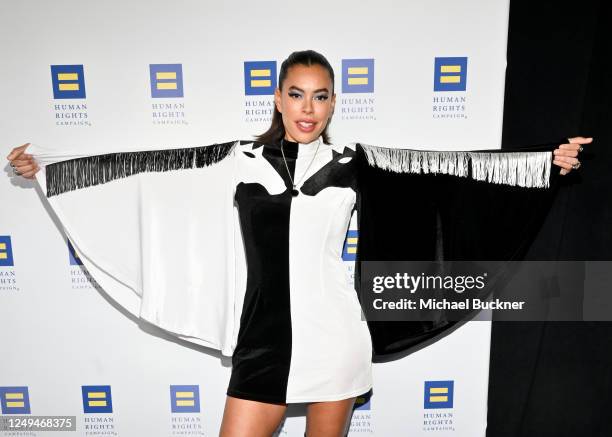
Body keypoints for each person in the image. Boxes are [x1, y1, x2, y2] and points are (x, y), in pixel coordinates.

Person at [7, 50, 589, 437]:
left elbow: (453, 174)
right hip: (262, 341)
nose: (308, 108)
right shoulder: (235, 161)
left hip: (336, 336)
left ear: (334, 102)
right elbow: (146, 172)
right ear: (278, 98)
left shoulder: (355, 164)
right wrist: (53, 169)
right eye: (297, 94)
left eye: (321, 96)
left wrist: (543, 163)